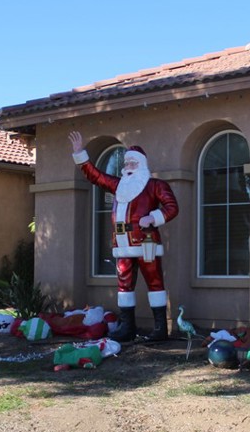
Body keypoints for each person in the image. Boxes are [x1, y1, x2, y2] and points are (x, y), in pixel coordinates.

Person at [70, 130, 179, 342]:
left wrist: (153, 218)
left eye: (133, 162)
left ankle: (160, 329)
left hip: (146, 244)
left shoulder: (155, 185)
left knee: (155, 284)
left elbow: (172, 207)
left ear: (142, 164)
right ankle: (127, 327)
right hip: (122, 244)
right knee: (124, 287)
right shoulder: (118, 184)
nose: (128, 165)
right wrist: (80, 154)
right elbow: (96, 176)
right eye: (126, 162)